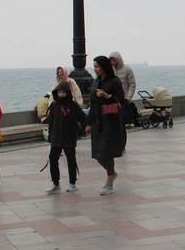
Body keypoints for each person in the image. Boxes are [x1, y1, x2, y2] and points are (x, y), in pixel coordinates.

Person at [44, 80, 89, 193]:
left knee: (71, 160)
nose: (61, 94)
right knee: (52, 159)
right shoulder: (54, 105)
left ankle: (72, 183)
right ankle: (55, 183)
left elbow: (82, 117)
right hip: (56, 137)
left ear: (67, 92)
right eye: (59, 92)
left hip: (69, 136)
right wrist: (50, 135)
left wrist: (84, 128)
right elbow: (51, 121)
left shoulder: (73, 105)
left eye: (63, 92)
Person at [90, 55, 125, 195]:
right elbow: (92, 103)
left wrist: (107, 96)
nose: (95, 69)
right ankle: (112, 173)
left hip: (110, 121)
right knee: (98, 153)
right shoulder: (95, 82)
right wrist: (88, 122)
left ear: (104, 67)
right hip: (97, 121)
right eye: (94, 67)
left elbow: (120, 101)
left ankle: (109, 183)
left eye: (97, 67)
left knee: (107, 152)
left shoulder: (114, 82)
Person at [109, 52, 138, 128]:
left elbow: (132, 85)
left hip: (125, 98)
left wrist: (127, 98)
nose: (112, 63)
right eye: (111, 61)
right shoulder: (110, 70)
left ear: (118, 60)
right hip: (114, 99)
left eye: (114, 60)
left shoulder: (127, 69)